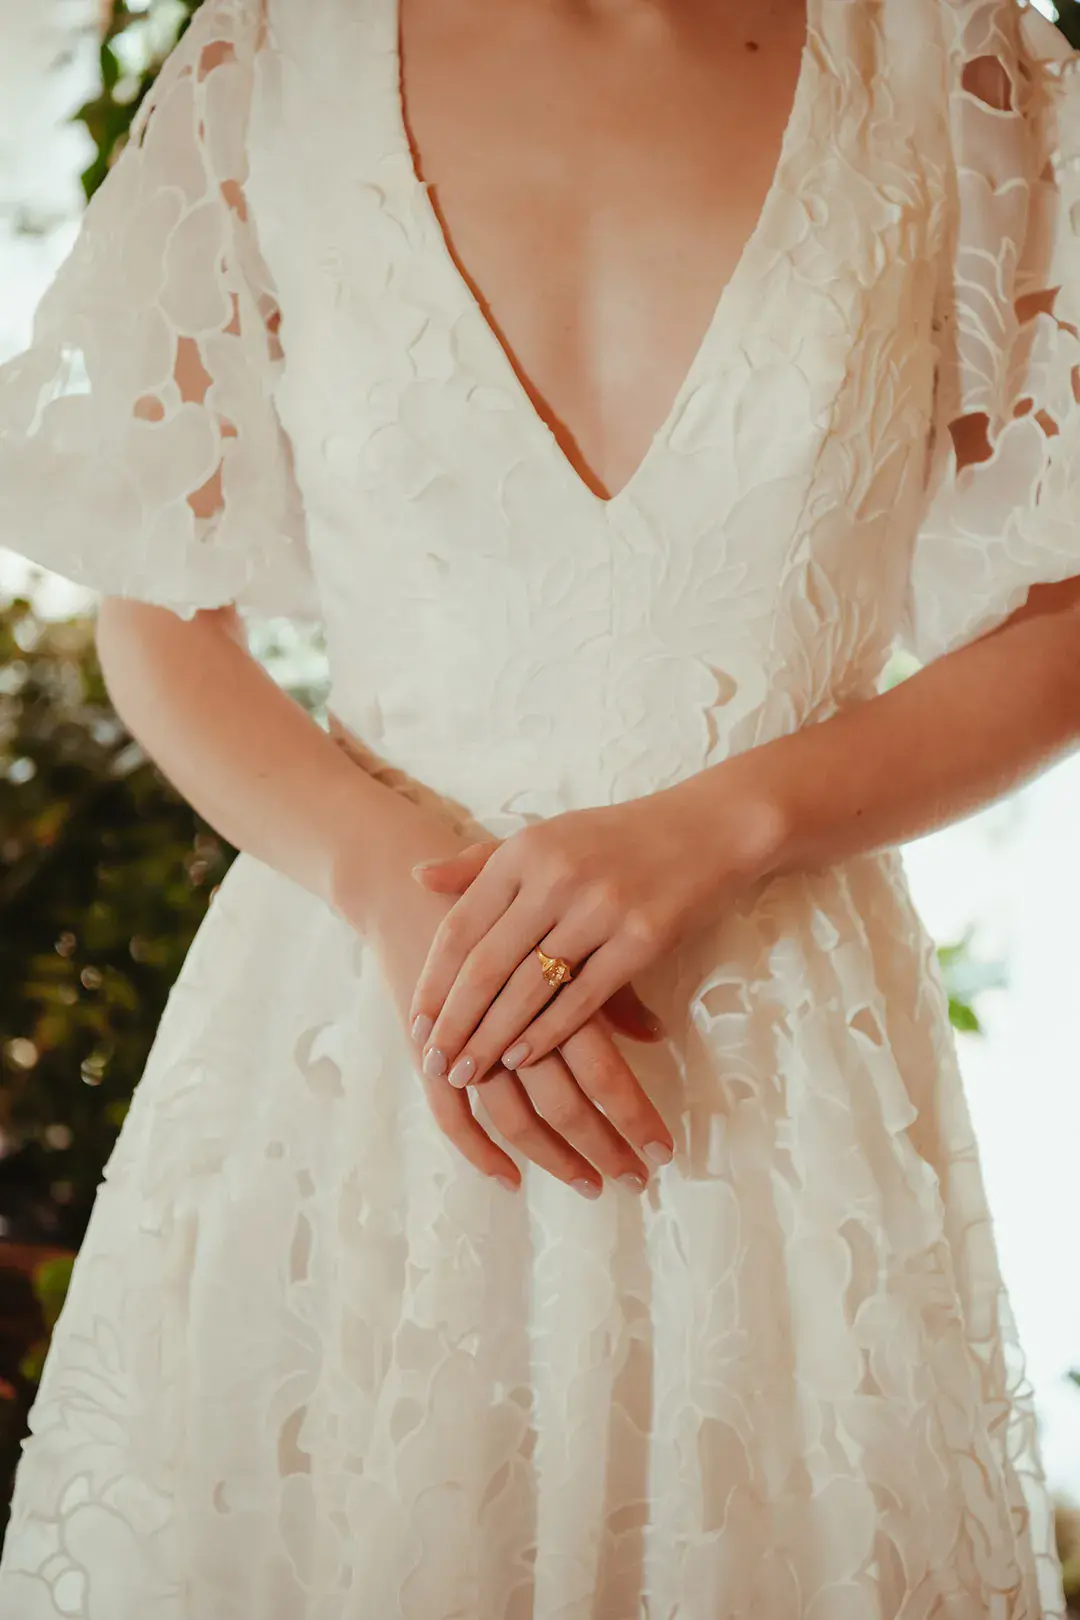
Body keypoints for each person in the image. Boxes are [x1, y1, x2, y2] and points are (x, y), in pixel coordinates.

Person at [0, 0, 1075, 1611]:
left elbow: (1064, 607)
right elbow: (157, 599)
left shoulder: (949, 52)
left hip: (765, 1067)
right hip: (366, 1034)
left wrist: (728, 827)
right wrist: (388, 881)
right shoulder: (279, 51)